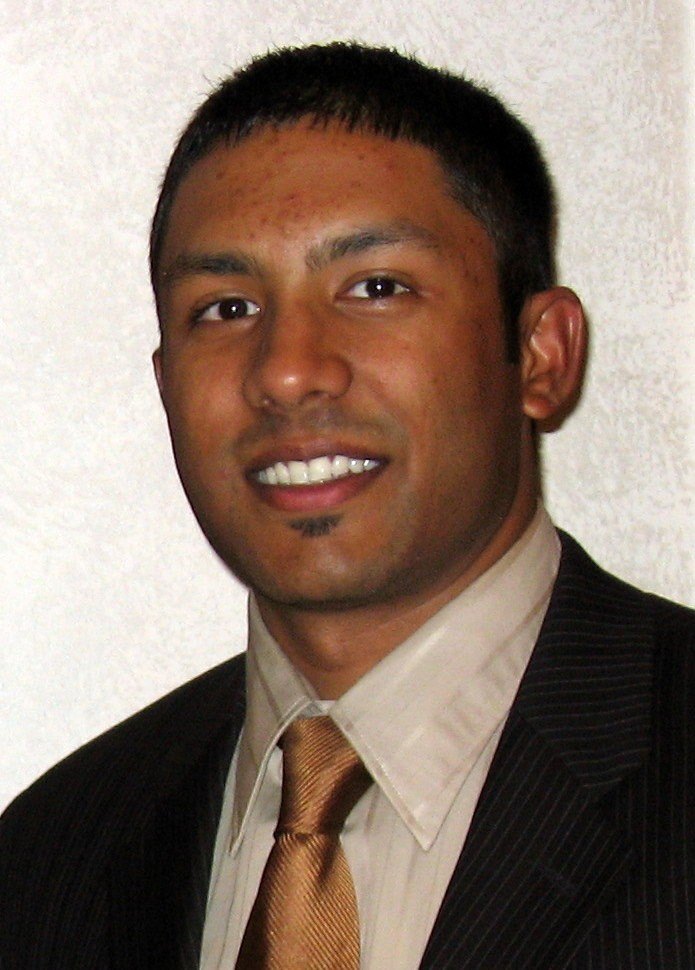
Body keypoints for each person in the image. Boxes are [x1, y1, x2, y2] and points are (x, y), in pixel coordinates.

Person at [1, 42, 692, 970]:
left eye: (376, 288)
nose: (287, 371)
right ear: (165, 385)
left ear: (540, 354)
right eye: (226, 308)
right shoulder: (49, 858)